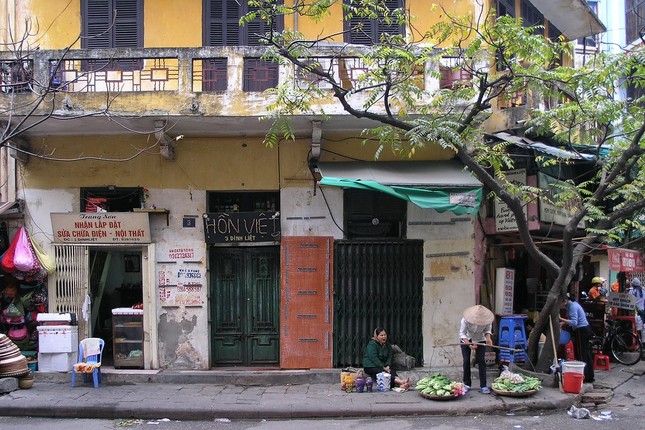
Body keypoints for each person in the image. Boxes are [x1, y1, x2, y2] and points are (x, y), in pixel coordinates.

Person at [560, 294, 595, 383]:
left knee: (581, 354)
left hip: (581, 330)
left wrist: (561, 319)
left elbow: (574, 322)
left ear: (565, 301)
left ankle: (585, 376)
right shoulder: (572, 305)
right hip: (585, 329)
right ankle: (589, 376)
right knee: (586, 353)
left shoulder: (572, 307)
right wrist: (564, 323)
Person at [459, 305, 494, 394]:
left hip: (480, 339)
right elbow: (462, 333)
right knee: (466, 361)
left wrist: (489, 339)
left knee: (481, 360)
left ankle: (483, 385)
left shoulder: (487, 321)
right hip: (467, 338)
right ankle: (467, 384)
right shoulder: (465, 320)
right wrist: (469, 344)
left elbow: (487, 331)